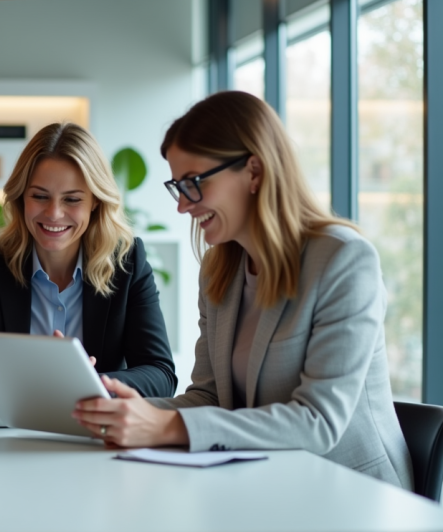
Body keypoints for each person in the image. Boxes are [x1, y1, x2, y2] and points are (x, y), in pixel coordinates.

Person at [73, 91, 412, 489]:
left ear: (253, 171)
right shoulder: (221, 272)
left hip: (354, 494)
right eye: (177, 187)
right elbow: (209, 398)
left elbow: (318, 423)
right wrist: (122, 412)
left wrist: (167, 425)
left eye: (194, 183)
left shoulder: (344, 261)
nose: (183, 206)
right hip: (266, 485)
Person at [0, 122, 177, 398]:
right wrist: (47, 381)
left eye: (72, 199)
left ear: (95, 202)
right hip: (5, 433)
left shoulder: (127, 263)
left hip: (95, 434)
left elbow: (160, 374)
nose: (54, 213)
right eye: (40, 196)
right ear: (21, 198)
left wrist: (89, 382)